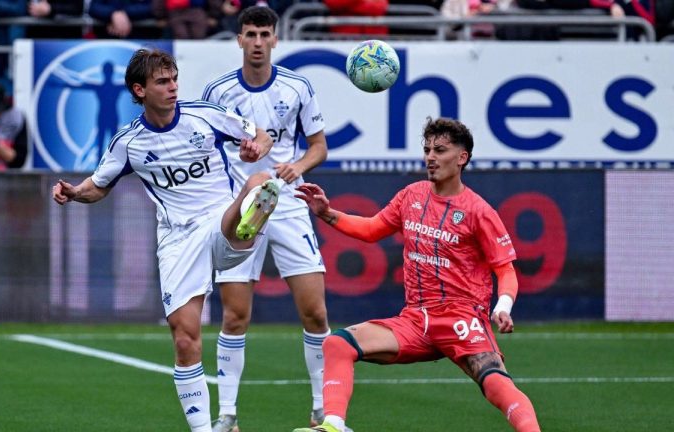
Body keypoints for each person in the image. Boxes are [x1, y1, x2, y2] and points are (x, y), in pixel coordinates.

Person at [52, 48, 280, 432]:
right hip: (177, 240)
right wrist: (74, 193)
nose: (172, 87)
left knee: (260, 181)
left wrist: (257, 147)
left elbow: (260, 134)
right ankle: (204, 429)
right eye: (162, 81)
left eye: (174, 78)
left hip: (218, 221)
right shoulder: (130, 142)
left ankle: (249, 220)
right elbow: (98, 186)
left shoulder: (204, 115)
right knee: (185, 339)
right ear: (139, 90)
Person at [292, 117, 541, 432]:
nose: (430, 157)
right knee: (337, 344)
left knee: (494, 383)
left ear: (462, 158)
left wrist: (503, 307)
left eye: (440, 150)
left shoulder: (479, 211)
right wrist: (326, 212)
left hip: (460, 318)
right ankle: (334, 425)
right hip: (416, 321)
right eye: (427, 150)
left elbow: (505, 269)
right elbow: (371, 229)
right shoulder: (412, 195)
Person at [201, 6, 332, 431]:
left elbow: (318, 146)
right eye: (250, 34)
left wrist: (299, 166)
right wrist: (233, 158)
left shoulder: (297, 87)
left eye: (265, 34)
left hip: (289, 203)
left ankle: (319, 412)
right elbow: (203, 150)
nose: (257, 42)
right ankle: (227, 416)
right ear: (238, 39)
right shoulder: (218, 92)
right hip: (242, 207)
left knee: (314, 312)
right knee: (235, 315)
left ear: (276, 39)